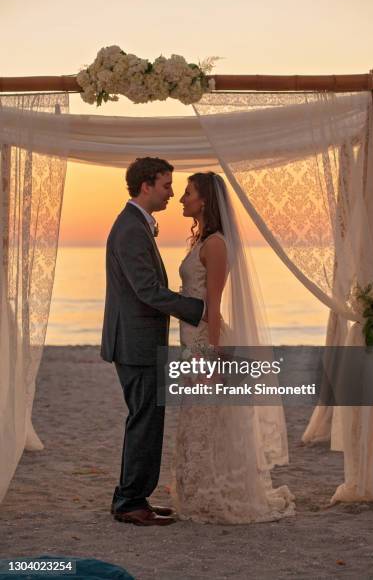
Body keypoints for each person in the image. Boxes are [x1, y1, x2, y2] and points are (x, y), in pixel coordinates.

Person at [171, 171, 295, 523]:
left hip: (205, 341)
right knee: (199, 419)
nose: (183, 199)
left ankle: (216, 493)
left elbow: (213, 301)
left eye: (188, 192)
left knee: (210, 419)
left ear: (205, 199)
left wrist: (209, 354)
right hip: (192, 338)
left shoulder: (216, 244)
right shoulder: (203, 241)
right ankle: (199, 492)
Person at [101, 157, 205, 526]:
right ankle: (131, 502)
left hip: (137, 341)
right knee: (145, 421)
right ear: (145, 185)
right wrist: (199, 308)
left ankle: (131, 496)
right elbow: (147, 290)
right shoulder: (130, 229)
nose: (172, 193)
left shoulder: (135, 225)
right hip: (135, 343)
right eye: (166, 185)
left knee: (144, 419)